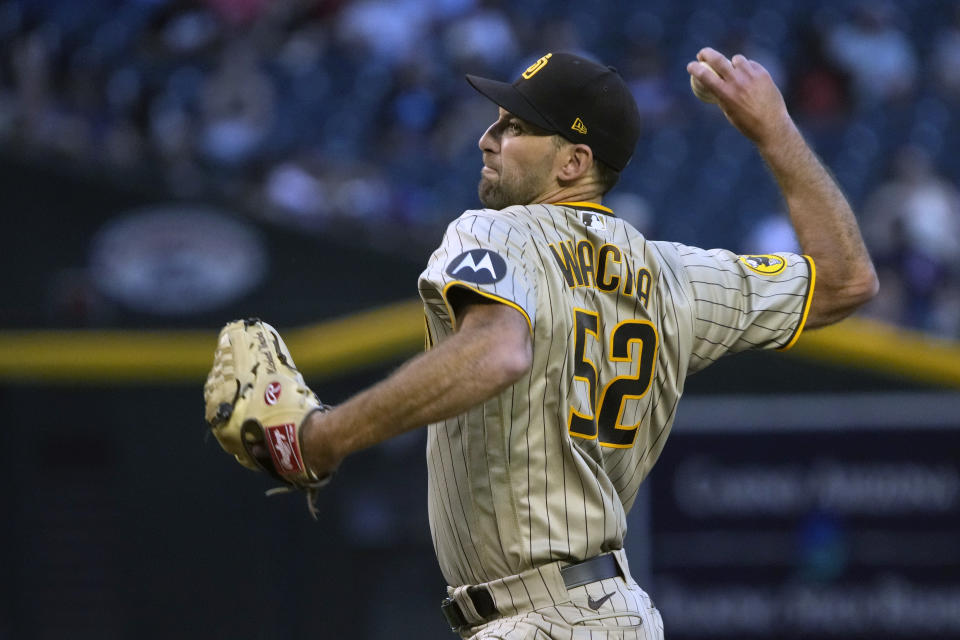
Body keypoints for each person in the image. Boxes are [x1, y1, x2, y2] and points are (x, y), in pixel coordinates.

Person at [297, 49, 878, 639]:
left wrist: (324, 438)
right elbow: (845, 280)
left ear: (574, 161)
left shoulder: (497, 230)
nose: (486, 139)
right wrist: (774, 128)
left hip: (543, 617)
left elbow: (498, 350)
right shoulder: (675, 277)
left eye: (515, 127)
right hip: (608, 612)